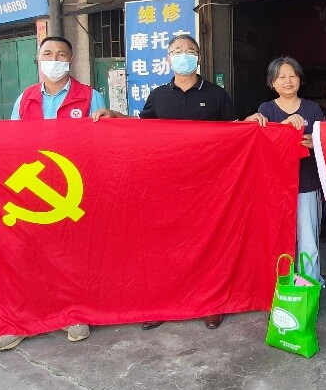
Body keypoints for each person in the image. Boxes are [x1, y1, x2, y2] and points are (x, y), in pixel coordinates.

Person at [95, 33, 235, 329]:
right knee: (166, 244)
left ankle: (211, 303)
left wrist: (255, 123)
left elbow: (235, 134)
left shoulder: (216, 95)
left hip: (207, 184)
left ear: (198, 58)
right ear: (169, 59)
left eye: (189, 50)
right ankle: (163, 303)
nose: (184, 54)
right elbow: (143, 128)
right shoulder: (158, 95)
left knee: (209, 242)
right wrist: (115, 116)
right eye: (177, 50)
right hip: (166, 184)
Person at [0, 36, 107, 352]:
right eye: (48, 54)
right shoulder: (25, 99)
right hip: (33, 189)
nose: (54, 60)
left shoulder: (90, 97)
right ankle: (26, 319)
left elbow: (102, 142)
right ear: (38, 58)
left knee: (73, 253)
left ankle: (74, 313)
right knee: (29, 254)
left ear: (71, 60)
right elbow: (13, 142)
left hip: (76, 187)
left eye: (61, 54)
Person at [244, 57, 326, 282]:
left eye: (292, 76)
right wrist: (282, 129)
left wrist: (315, 142)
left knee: (308, 241)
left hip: (307, 184)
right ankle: (280, 285)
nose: (287, 81)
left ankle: (309, 287)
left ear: (300, 79)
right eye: (281, 77)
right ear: (272, 83)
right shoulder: (266, 109)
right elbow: (259, 144)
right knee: (278, 239)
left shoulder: (312, 108)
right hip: (276, 189)